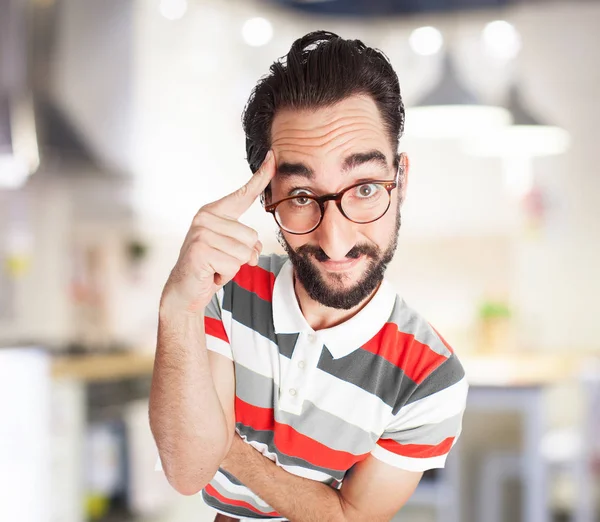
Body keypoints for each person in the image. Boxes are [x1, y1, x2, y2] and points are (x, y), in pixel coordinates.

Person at [150, 31, 469, 522]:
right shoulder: (224, 292)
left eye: (364, 188)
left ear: (400, 181)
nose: (336, 240)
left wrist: (225, 443)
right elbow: (189, 471)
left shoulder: (432, 377)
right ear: (268, 198)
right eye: (301, 196)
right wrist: (177, 306)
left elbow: (348, 518)